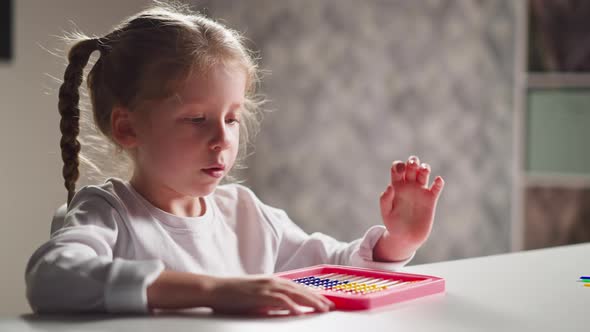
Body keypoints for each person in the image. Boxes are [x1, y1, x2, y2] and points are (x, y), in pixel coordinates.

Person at [25, 1, 445, 316]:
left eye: (232, 118)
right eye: (196, 119)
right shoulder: (108, 213)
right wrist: (213, 290)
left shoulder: (244, 212)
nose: (221, 139)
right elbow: (52, 278)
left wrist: (396, 243)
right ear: (128, 127)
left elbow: (334, 266)